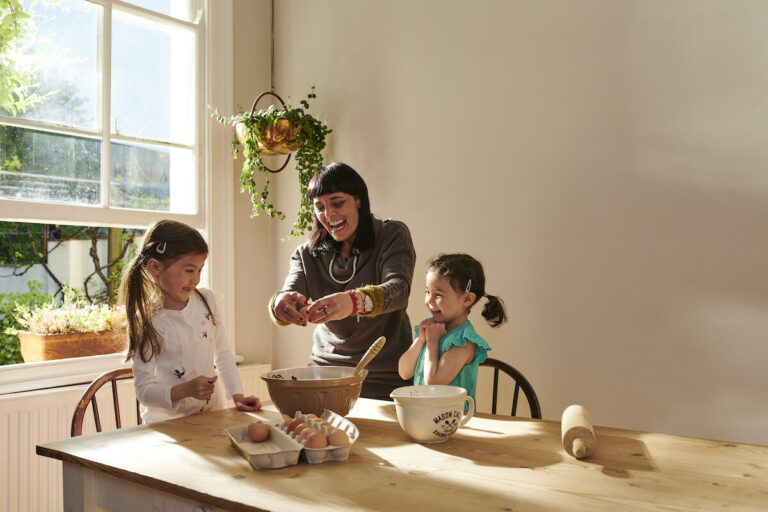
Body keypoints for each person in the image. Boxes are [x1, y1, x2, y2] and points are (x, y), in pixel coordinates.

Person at [268, 162, 416, 400]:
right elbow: (290, 292)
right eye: (320, 207)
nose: (329, 214)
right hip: (325, 372)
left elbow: (399, 290)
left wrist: (353, 302)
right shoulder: (306, 254)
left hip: (386, 376)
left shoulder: (392, 235)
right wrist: (282, 303)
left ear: (359, 199)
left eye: (337, 203)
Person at [121, 219, 262, 423]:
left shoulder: (207, 301)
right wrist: (184, 390)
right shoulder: (146, 321)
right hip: (168, 426)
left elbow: (222, 354)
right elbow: (144, 391)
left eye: (200, 270)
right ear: (155, 267)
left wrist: (238, 396)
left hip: (211, 416)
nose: (195, 279)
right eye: (189, 270)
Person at [398, 253, 506, 402]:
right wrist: (421, 339)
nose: (429, 300)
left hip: (453, 420)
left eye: (438, 295)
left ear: (467, 299)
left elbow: (433, 384)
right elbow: (404, 372)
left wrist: (432, 342)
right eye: (427, 292)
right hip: (425, 415)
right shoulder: (431, 329)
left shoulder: (464, 341)